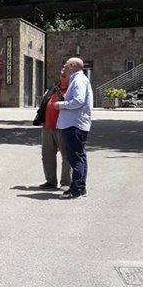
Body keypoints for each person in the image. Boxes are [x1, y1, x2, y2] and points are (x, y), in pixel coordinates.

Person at [54, 57, 93, 199]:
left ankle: (76, 190)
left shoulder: (78, 80)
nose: (64, 68)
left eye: (66, 65)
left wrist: (61, 105)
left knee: (75, 158)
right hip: (76, 124)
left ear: (72, 66)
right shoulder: (77, 79)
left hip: (74, 124)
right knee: (80, 157)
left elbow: (78, 101)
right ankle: (80, 188)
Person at [39, 69, 71, 189]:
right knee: (47, 155)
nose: (62, 75)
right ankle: (51, 181)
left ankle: (66, 183)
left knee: (66, 156)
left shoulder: (72, 89)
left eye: (65, 74)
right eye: (61, 73)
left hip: (63, 127)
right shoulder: (53, 88)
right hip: (48, 126)